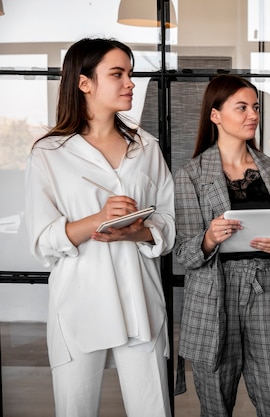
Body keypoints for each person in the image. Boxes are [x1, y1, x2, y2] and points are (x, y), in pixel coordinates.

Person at [24, 38, 175, 417]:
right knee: (75, 409)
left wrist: (136, 231)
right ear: (84, 82)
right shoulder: (49, 152)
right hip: (80, 303)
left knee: (153, 409)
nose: (130, 83)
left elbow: (171, 223)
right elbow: (42, 241)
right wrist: (97, 219)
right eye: (117, 74)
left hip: (140, 300)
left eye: (130, 74)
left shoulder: (146, 147)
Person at [174, 74, 270, 417]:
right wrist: (208, 238)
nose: (253, 115)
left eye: (256, 107)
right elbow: (184, 253)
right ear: (215, 115)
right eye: (242, 107)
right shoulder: (191, 175)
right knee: (215, 402)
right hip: (214, 293)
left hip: (267, 288)